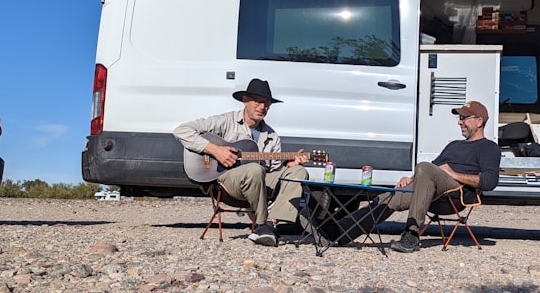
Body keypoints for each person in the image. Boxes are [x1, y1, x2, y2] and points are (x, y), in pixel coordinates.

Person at [333, 100, 500, 253]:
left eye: (464, 118)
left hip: (455, 194)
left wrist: (452, 174)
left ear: (479, 121)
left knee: (424, 167)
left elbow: (490, 182)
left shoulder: (489, 148)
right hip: (432, 192)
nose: (459, 122)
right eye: (460, 118)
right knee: (390, 196)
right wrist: (412, 179)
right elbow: (429, 171)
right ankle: (339, 232)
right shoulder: (454, 145)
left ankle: (412, 234)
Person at [174, 78, 309, 247]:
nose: (262, 107)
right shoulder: (226, 121)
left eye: (267, 104)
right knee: (254, 169)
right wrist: (214, 150)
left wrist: (289, 166)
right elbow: (181, 131)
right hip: (227, 183)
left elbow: (274, 172)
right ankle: (261, 224)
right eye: (258, 101)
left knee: (298, 173)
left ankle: (270, 223)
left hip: (258, 182)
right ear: (245, 100)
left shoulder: (272, 136)